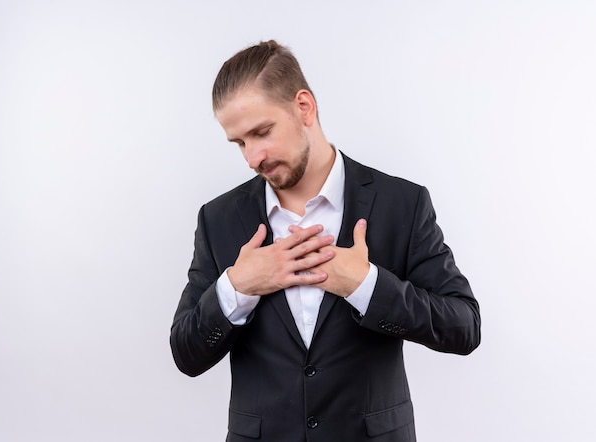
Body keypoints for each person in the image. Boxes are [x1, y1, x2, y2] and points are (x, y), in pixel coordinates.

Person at [170, 40, 480, 442]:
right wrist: (237, 288)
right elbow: (186, 354)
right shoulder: (219, 219)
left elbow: (464, 326)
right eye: (240, 143)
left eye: (262, 132)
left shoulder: (401, 204)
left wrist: (366, 286)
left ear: (304, 107)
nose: (252, 158)